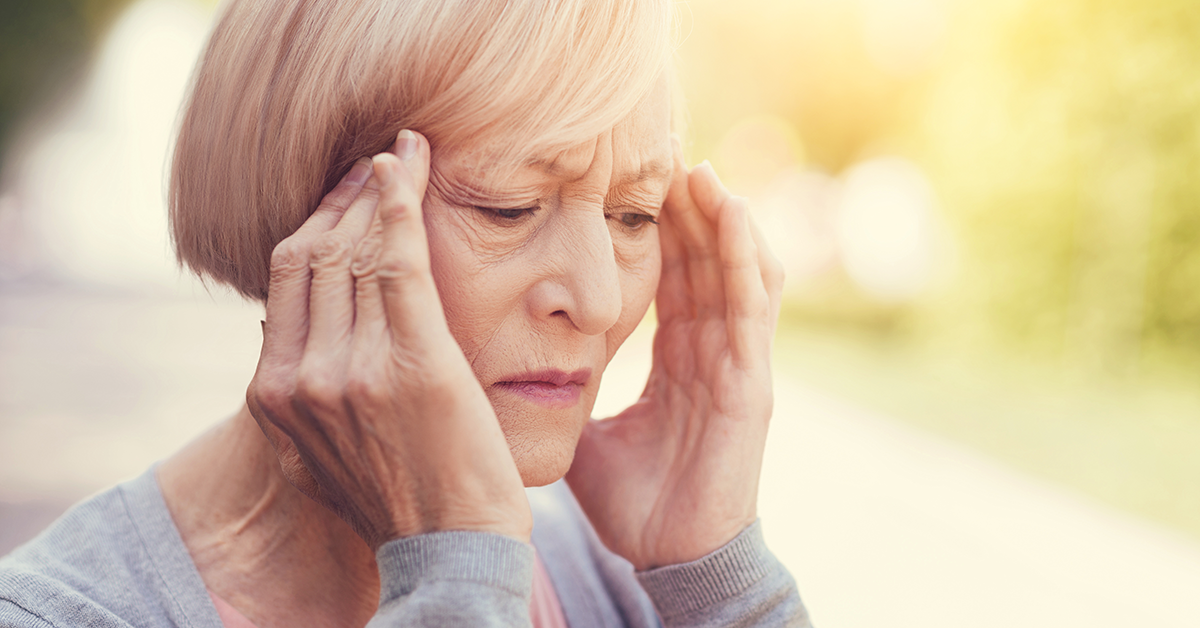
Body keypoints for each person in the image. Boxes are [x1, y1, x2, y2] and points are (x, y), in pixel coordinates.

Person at [0, 0, 811, 626]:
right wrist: (455, 576)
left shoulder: (615, 565)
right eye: (508, 206)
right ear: (320, 217)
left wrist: (718, 582)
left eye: (634, 214)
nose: (600, 301)